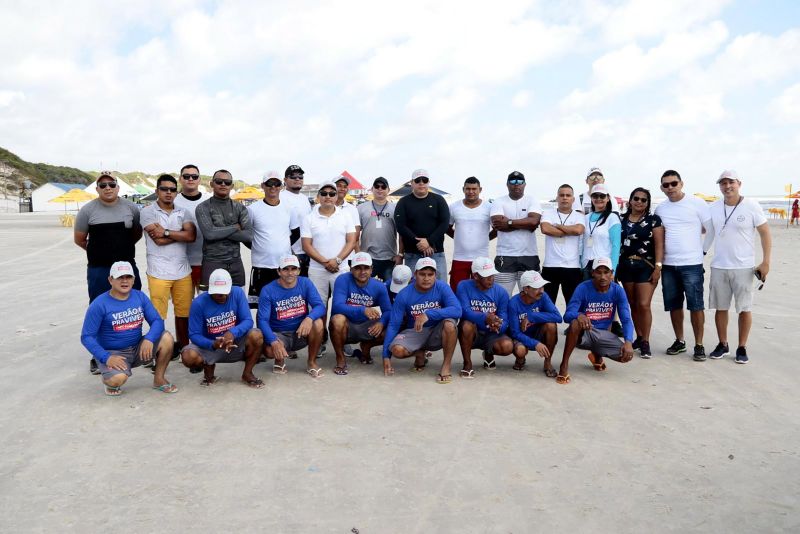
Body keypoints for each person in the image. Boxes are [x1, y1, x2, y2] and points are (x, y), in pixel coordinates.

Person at [74, 172, 143, 375]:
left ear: (118, 187)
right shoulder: (87, 211)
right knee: (99, 309)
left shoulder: (131, 208)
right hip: (99, 269)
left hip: (127, 269)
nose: (107, 188)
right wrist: (99, 252)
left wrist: (120, 251)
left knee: (133, 308)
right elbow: (80, 239)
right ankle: (98, 356)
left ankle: (136, 350)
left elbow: (136, 234)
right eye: (102, 185)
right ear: (97, 189)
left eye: (111, 184)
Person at [80, 261, 177, 396]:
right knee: (117, 380)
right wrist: (106, 357)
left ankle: (159, 379)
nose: (124, 281)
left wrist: (149, 339)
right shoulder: (99, 304)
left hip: (138, 347)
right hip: (114, 352)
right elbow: (86, 337)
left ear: (133, 280)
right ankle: (108, 379)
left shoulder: (139, 296)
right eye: (120, 277)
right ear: (110, 280)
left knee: (166, 338)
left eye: (128, 277)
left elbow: (157, 321)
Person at [705, 170, 772, 364]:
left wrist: (766, 261)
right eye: (723, 183)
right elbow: (705, 230)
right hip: (719, 265)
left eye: (731, 182)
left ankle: (742, 347)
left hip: (744, 266)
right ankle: (722, 343)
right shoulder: (714, 207)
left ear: (739, 183)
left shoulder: (751, 205)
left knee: (744, 308)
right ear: (719, 186)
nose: (727, 186)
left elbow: (765, 233)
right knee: (720, 307)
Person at [654, 170, 713, 360]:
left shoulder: (697, 203)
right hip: (669, 265)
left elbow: (711, 230)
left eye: (673, 183)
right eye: (666, 185)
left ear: (681, 183)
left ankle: (699, 344)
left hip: (692, 264)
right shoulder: (660, 209)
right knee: (674, 305)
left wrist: (702, 252)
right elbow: (658, 236)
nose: (670, 188)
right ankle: (679, 341)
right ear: (662, 188)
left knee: (696, 305)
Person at [139, 174, 197, 355]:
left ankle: (184, 347)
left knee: (184, 313)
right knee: (158, 316)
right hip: (158, 272)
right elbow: (158, 241)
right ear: (157, 191)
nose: (169, 193)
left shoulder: (184, 212)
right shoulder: (148, 212)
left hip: (182, 271)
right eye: (164, 189)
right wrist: (179, 233)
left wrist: (164, 231)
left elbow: (191, 236)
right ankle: (161, 350)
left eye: (172, 189)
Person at [180, 269, 265, 388]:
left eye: (225, 292)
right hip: (210, 345)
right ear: (209, 290)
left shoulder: (238, 293)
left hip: (235, 342)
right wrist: (213, 344)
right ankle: (208, 371)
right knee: (188, 356)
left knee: (257, 335)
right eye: (217, 293)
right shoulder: (198, 303)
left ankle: (247, 373)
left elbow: (248, 321)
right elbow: (194, 334)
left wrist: (232, 333)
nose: (222, 296)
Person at [383, 257, 462, 383]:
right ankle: (419, 353)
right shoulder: (404, 293)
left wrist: (429, 314)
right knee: (397, 350)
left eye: (430, 274)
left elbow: (457, 310)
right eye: (422, 274)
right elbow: (393, 324)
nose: (426, 278)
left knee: (450, 324)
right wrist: (386, 356)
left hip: (437, 331)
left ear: (435, 275)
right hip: (415, 331)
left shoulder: (442, 287)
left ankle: (446, 366)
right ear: (415, 275)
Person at [557, 258, 635, 384]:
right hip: (585, 332)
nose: (603, 277)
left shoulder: (618, 290)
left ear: (612, 273)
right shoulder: (583, 288)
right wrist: (579, 315)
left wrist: (628, 342)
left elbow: (626, 319)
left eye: (606, 272)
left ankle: (596, 355)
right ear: (593, 273)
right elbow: (567, 315)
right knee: (575, 323)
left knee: (625, 356)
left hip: (603, 334)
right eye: (599, 272)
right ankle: (564, 364)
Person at [301, 181, 357, 354]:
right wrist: (326, 262)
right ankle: (320, 340)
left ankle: (343, 340)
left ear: (336, 196)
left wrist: (338, 260)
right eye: (324, 193)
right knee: (319, 307)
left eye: (331, 194)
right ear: (318, 196)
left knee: (342, 307)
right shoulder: (309, 217)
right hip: (318, 270)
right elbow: (306, 245)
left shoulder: (345, 216)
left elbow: (352, 240)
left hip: (341, 269)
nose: (328, 197)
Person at [257, 255, 326, 377]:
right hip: (279, 333)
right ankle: (279, 360)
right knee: (269, 351)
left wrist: (309, 318)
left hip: (300, 331)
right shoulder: (267, 290)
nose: (290, 273)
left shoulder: (305, 283)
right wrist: (273, 341)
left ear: (299, 271)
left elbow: (320, 306)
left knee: (318, 323)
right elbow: (262, 320)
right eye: (285, 269)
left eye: (293, 269)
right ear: (279, 271)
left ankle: (311, 362)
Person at [617, 188, 663, 358]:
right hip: (625, 266)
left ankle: (645, 341)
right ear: (630, 200)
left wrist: (658, 267)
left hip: (646, 265)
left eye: (644, 200)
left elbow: (659, 244)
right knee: (633, 304)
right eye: (636, 198)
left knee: (644, 304)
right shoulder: (620, 219)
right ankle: (639, 336)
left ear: (648, 203)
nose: (639, 202)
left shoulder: (653, 220)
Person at [330, 252, 392, 372]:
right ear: (351, 269)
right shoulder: (342, 279)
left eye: (366, 268)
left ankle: (366, 347)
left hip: (367, 326)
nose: (362, 271)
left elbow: (388, 311)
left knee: (392, 325)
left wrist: (381, 323)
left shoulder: (379, 286)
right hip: (347, 325)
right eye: (358, 268)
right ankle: (340, 357)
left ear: (371, 269)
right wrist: (363, 309)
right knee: (337, 319)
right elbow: (337, 306)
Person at [246, 170, 300, 308]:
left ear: (281, 186)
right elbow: (244, 234)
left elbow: (296, 232)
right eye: (269, 183)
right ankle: (262, 330)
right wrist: (258, 246)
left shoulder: (289, 207)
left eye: (277, 184)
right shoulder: (253, 209)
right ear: (263, 185)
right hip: (261, 266)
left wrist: (285, 246)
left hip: (283, 266)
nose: (273, 187)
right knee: (261, 306)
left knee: (283, 305)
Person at [455, 257, 513, 378]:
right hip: (473, 330)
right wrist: (485, 317)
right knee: (466, 325)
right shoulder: (463, 286)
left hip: (492, 332)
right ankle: (467, 363)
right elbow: (464, 311)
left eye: (492, 275)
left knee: (507, 347)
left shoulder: (501, 292)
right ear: (475, 276)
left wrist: (498, 325)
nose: (491, 279)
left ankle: (488, 352)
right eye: (487, 276)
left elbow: (504, 318)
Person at [195, 169, 252, 288]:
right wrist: (235, 227)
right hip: (212, 262)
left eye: (227, 182)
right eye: (219, 181)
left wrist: (217, 230)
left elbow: (247, 236)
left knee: (237, 302)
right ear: (211, 184)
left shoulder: (240, 208)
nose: (223, 184)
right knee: (210, 304)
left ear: (232, 185)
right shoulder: (203, 207)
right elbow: (209, 234)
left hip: (236, 263)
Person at [490, 171, 543, 295]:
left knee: (531, 297)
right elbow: (498, 224)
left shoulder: (532, 200)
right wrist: (526, 224)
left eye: (520, 182)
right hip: (505, 255)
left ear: (524, 184)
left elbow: (534, 221)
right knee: (502, 297)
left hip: (529, 255)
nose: (516, 184)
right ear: (507, 184)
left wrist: (508, 223)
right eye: (513, 181)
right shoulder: (499, 201)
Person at [394, 169, 450, 281]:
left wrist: (429, 241)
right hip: (412, 253)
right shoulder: (403, 202)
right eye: (417, 180)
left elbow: (444, 223)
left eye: (424, 180)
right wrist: (419, 242)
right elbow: (401, 226)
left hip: (436, 252)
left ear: (428, 182)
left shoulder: (439, 200)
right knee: (414, 288)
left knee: (440, 286)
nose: (421, 183)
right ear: (412, 182)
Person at [507, 270, 562, 377]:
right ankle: (520, 359)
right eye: (536, 288)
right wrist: (535, 344)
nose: (541, 291)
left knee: (551, 325)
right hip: (521, 337)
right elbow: (514, 333)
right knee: (520, 350)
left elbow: (557, 317)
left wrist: (531, 316)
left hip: (537, 333)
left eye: (542, 287)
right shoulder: (513, 303)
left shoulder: (543, 296)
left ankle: (547, 362)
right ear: (525, 289)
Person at [447, 177, 494, 292]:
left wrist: (485, 238)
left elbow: (497, 229)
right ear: (463, 189)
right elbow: (447, 227)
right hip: (459, 257)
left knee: (481, 290)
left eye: (474, 189)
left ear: (480, 189)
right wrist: (458, 236)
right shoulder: (454, 207)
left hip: (482, 258)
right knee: (457, 290)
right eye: (468, 189)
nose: (471, 192)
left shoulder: (489, 207)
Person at [540, 184, 585, 305]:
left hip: (572, 267)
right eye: (562, 195)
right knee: (547, 305)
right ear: (557, 198)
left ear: (573, 199)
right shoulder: (548, 213)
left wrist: (558, 226)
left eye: (568, 195)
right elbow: (545, 229)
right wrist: (568, 231)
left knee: (573, 306)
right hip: (550, 266)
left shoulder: (579, 216)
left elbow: (578, 231)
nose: (565, 198)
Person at [173, 164, 211, 294]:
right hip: (181, 263)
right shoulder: (173, 201)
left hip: (206, 262)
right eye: (186, 176)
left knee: (205, 303)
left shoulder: (209, 201)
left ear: (199, 180)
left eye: (194, 176)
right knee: (184, 308)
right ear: (180, 179)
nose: (190, 179)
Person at [357, 177, 403, 282]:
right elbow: (355, 234)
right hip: (367, 257)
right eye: (377, 186)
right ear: (372, 189)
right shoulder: (361, 208)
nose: (380, 189)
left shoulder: (395, 209)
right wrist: (358, 253)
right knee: (366, 291)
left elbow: (401, 233)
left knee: (388, 291)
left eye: (383, 187)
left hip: (389, 258)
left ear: (388, 190)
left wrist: (400, 254)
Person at [581, 183, 621, 278]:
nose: (598, 198)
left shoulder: (612, 218)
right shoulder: (585, 218)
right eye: (595, 195)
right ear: (591, 198)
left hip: (603, 266)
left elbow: (616, 245)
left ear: (608, 198)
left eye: (602, 196)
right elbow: (581, 243)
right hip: (586, 265)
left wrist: (613, 271)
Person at [280, 164, 313, 276]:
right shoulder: (280, 198)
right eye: (293, 176)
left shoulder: (304, 199)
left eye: (300, 177)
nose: (297, 179)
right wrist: (290, 252)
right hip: (291, 253)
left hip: (308, 251)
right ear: (285, 180)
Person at [334, 174, 362, 258]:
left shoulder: (352, 209)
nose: (342, 189)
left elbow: (356, 235)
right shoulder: (322, 208)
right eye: (339, 186)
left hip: (349, 256)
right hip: (328, 256)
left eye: (345, 186)